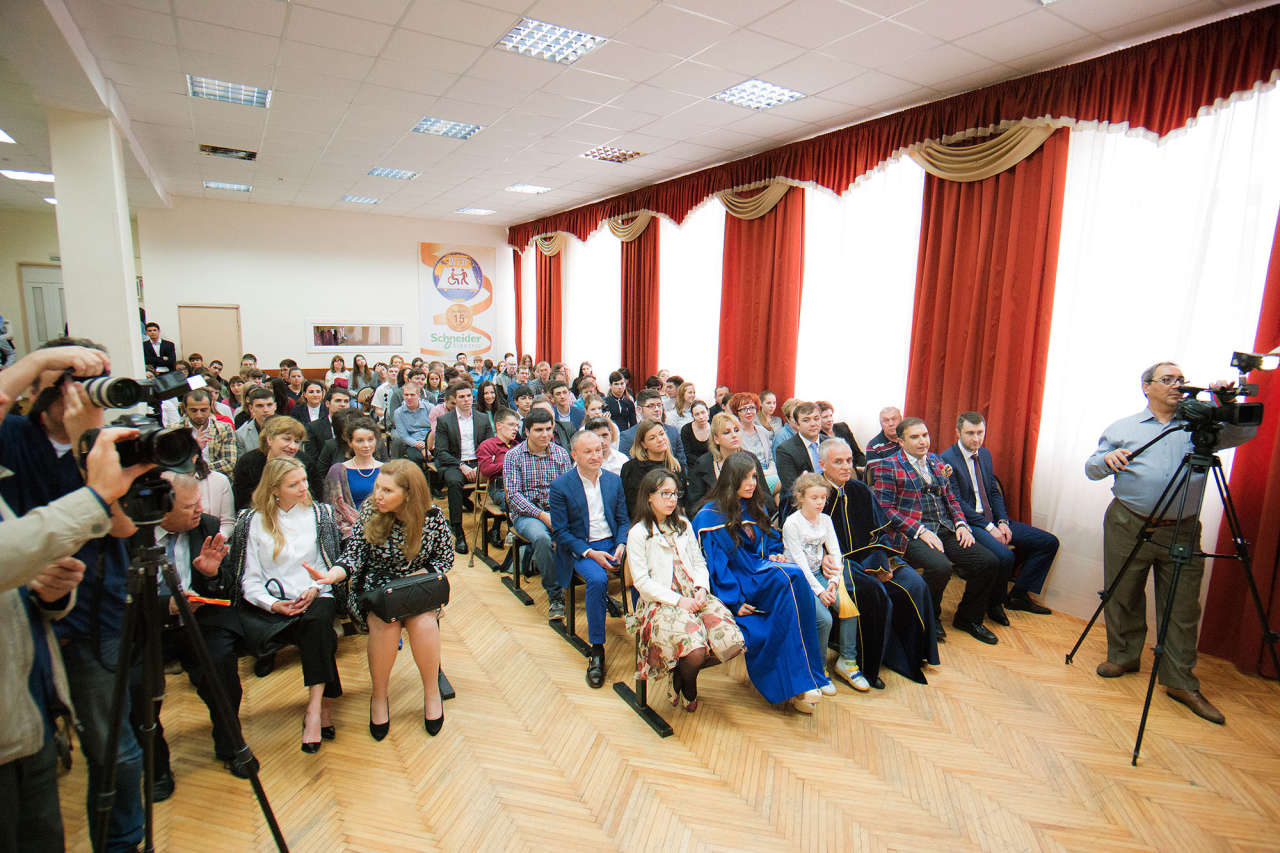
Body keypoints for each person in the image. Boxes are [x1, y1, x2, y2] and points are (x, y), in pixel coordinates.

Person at [1084, 361, 1256, 725]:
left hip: (1182, 529)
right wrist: (1106, 460)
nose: (1177, 385)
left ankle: (1180, 681)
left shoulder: (1200, 425)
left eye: (1181, 380)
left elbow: (1244, 434)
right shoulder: (1123, 428)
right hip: (1127, 522)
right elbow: (1092, 467)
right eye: (1168, 379)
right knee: (1122, 593)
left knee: (1182, 606)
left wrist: (1229, 401)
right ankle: (1125, 655)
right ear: (1146, 387)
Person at [314, 461, 452, 739]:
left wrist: (420, 575)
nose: (378, 495)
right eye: (378, 487)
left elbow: (445, 557)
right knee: (385, 625)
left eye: (387, 490)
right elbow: (354, 553)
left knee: (424, 622)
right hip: (377, 587)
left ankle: (431, 693)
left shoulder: (432, 516)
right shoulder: (370, 511)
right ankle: (379, 696)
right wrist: (334, 574)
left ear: (409, 494)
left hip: (416, 587)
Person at [128, 475, 245, 797]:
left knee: (222, 666)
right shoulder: (130, 534)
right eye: (189, 506)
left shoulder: (206, 525)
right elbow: (119, 597)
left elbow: (226, 587)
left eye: (199, 502)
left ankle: (230, 744)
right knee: (137, 688)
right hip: (146, 624)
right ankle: (157, 767)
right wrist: (167, 605)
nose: (200, 510)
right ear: (161, 509)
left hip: (200, 619)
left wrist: (210, 576)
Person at [691, 452, 830, 713]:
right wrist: (734, 601)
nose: (751, 483)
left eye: (754, 476)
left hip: (759, 570)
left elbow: (769, 541)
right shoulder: (709, 517)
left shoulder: (756, 507)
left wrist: (776, 552)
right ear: (730, 480)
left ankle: (803, 680)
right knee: (793, 577)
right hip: (739, 581)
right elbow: (714, 567)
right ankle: (801, 681)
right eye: (744, 478)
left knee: (793, 582)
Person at [227, 458, 343, 753]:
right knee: (321, 635)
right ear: (274, 489)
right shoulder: (252, 522)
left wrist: (314, 589)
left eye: (305, 480)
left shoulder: (319, 514)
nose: (304, 488)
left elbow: (324, 566)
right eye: (294, 484)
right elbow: (249, 579)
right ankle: (323, 705)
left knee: (317, 623)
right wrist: (274, 604)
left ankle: (314, 710)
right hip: (274, 600)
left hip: (317, 593)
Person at [872, 417, 1003, 645]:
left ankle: (968, 618)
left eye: (925, 435)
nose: (923, 441)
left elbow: (951, 498)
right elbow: (885, 509)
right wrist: (919, 530)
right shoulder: (888, 465)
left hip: (945, 528)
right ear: (901, 442)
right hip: (910, 533)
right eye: (915, 437)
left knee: (988, 562)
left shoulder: (936, 461)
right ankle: (930, 616)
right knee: (940, 567)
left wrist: (961, 524)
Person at [821, 438, 937, 684]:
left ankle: (911, 653)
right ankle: (863, 662)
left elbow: (881, 531)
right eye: (838, 462)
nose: (846, 467)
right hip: (836, 562)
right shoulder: (813, 492)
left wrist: (882, 564)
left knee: (915, 584)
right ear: (822, 464)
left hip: (871, 555)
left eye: (849, 461)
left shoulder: (860, 490)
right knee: (873, 592)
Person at [628, 468, 744, 711]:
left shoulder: (682, 524)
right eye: (665, 494)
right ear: (649, 496)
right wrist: (679, 602)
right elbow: (642, 583)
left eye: (674, 494)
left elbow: (699, 562)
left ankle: (680, 674)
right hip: (661, 602)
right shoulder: (638, 533)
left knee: (732, 640)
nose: (672, 499)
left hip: (693, 594)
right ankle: (688, 685)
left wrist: (702, 588)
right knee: (696, 651)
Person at [941, 411, 1059, 615]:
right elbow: (957, 502)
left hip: (994, 520)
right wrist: (989, 527)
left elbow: (993, 492)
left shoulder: (985, 455)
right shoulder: (946, 459)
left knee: (1048, 542)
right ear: (957, 432)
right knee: (1004, 555)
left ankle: (1018, 595)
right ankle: (994, 604)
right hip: (972, 523)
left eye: (980, 432)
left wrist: (1002, 521)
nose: (976, 438)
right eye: (970, 433)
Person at [550, 431, 630, 687]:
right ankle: (597, 649)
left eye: (599, 450)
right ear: (574, 455)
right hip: (582, 546)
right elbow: (561, 533)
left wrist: (621, 543)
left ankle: (645, 631)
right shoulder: (561, 485)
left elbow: (623, 520)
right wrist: (590, 552)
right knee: (596, 580)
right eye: (589, 452)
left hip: (612, 542)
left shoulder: (613, 481)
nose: (596, 456)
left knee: (640, 571)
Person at [782, 473, 870, 692]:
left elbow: (836, 553)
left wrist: (832, 582)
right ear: (800, 498)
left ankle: (847, 662)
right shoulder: (792, 524)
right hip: (799, 579)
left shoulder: (826, 520)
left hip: (822, 577)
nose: (820, 502)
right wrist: (821, 592)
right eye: (814, 498)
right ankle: (818, 668)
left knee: (849, 609)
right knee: (824, 619)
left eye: (823, 498)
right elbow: (801, 565)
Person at [504, 408, 573, 620]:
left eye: (548, 429)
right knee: (542, 538)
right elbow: (514, 496)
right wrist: (542, 515)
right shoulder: (513, 456)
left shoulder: (561, 454)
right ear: (526, 431)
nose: (545, 434)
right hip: (527, 514)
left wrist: (560, 514)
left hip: (556, 510)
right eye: (538, 430)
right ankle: (555, 597)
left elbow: (569, 490)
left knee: (582, 531)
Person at [435, 381, 495, 553]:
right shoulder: (444, 421)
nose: (466, 399)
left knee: (500, 475)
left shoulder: (482, 418)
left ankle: (496, 527)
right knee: (454, 482)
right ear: (455, 399)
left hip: (478, 462)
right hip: (455, 463)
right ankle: (458, 530)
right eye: (462, 397)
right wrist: (461, 465)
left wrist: (481, 465)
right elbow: (441, 452)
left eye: (469, 396)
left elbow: (490, 445)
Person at [686, 413, 776, 518]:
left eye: (737, 430)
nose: (734, 435)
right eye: (726, 432)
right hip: (717, 519)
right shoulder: (703, 464)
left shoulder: (751, 459)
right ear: (716, 439)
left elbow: (766, 499)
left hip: (749, 516)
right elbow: (694, 507)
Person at [323, 416, 384, 540]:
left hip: (383, 531)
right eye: (359, 440)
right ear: (350, 443)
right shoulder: (338, 471)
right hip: (348, 535)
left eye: (370, 440)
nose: (366, 445)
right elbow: (332, 510)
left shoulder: (387, 470)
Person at [232, 415, 306, 510]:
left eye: (296, 441)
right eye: (286, 439)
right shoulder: (248, 463)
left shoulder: (305, 463)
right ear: (270, 439)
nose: (293, 446)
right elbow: (241, 504)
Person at [619, 419, 687, 518]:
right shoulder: (630, 468)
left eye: (661, 434)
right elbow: (627, 505)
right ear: (643, 444)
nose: (660, 439)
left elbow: (682, 501)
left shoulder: (676, 466)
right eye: (652, 438)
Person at [618, 390, 687, 468]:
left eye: (659, 405)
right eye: (651, 406)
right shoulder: (627, 436)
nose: (657, 409)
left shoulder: (672, 431)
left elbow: (682, 463)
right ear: (639, 409)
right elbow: (628, 467)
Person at [775, 401, 825, 505]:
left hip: (830, 499)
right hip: (798, 503)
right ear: (797, 424)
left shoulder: (830, 443)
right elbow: (791, 487)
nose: (813, 424)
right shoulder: (785, 450)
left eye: (816, 419)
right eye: (806, 420)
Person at [182, 387, 237, 477]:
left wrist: (198, 468)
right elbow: (172, 464)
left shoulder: (224, 428)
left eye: (204, 410)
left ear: (211, 406)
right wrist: (194, 448)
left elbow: (229, 463)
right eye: (194, 410)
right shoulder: (174, 430)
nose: (199, 415)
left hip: (216, 480)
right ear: (185, 408)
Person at [729, 392, 778, 491]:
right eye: (743, 409)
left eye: (751, 407)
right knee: (782, 483)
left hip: (768, 473)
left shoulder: (763, 431)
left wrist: (770, 471)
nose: (748, 412)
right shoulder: (735, 434)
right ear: (736, 412)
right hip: (747, 476)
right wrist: (761, 473)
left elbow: (771, 459)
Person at [476, 408, 519, 518]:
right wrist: (509, 464)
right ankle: (511, 532)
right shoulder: (487, 445)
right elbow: (486, 469)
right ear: (498, 425)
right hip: (498, 487)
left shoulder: (517, 445)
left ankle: (498, 528)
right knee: (513, 502)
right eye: (511, 425)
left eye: (517, 426)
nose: (516, 429)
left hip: (519, 484)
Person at [816, 401, 866, 470]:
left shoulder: (842, 427)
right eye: (825, 417)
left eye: (831, 415)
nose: (830, 420)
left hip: (856, 467)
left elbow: (857, 453)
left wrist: (864, 468)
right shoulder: (818, 436)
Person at [393, 384, 432, 468]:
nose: (409, 397)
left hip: (431, 440)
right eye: (406, 395)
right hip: (413, 443)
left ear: (418, 395)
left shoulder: (430, 408)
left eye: (412, 395)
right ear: (403, 396)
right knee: (415, 457)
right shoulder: (398, 413)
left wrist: (427, 445)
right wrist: (419, 446)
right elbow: (404, 435)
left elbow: (436, 429)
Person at [235, 386, 277, 455]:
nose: (266, 410)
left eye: (269, 405)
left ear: (275, 406)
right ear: (251, 408)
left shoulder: (289, 428)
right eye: (260, 406)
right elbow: (242, 463)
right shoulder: (241, 434)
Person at [680, 400, 712, 468]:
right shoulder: (686, 430)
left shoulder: (714, 427)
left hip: (712, 465)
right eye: (697, 414)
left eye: (703, 412)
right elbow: (687, 454)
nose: (701, 417)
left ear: (708, 412)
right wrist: (702, 462)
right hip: (693, 466)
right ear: (692, 416)